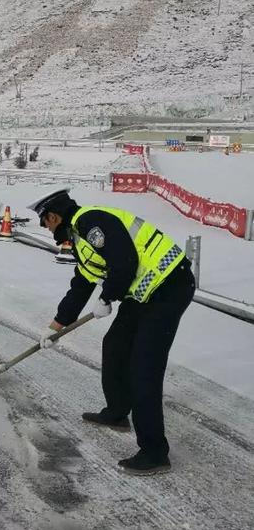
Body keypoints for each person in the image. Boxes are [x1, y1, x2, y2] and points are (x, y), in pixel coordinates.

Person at [28, 187, 195, 476]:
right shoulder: (81, 241)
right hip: (143, 292)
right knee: (115, 345)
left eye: (45, 222)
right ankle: (117, 412)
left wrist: (107, 297)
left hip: (169, 286)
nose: (45, 228)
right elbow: (82, 284)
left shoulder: (91, 223)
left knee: (144, 366)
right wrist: (54, 326)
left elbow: (125, 261)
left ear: (54, 216)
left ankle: (155, 452)